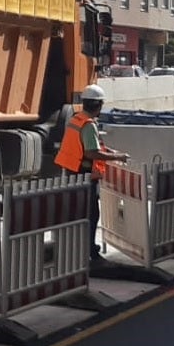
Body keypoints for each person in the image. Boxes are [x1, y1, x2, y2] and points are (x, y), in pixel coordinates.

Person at [54, 83, 130, 267]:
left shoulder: (76, 119)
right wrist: (118, 156)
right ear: (97, 105)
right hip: (84, 173)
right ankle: (90, 253)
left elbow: (87, 146)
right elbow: (91, 153)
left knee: (78, 214)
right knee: (90, 214)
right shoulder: (88, 125)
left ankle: (77, 251)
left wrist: (107, 150)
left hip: (72, 172)